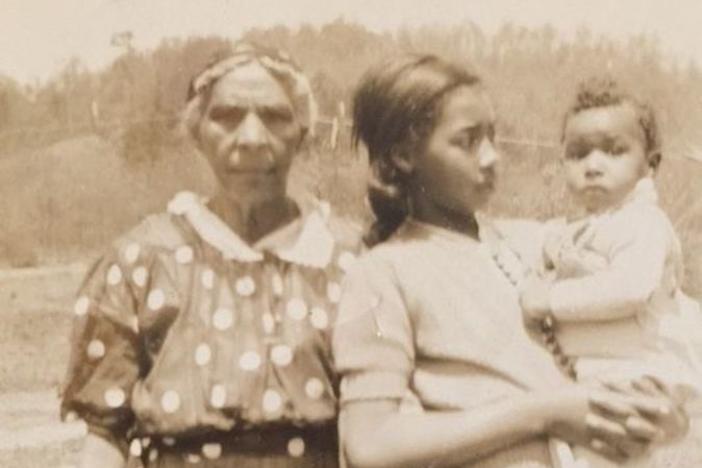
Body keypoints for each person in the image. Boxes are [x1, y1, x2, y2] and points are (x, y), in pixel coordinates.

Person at [332, 54, 688, 468]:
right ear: (404, 155)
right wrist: (543, 414)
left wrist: (656, 411)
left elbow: (645, 340)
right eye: (467, 141)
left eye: (493, 138)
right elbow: (371, 445)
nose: (490, 157)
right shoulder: (376, 276)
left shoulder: (537, 242)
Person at [61, 42, 361, 468]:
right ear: (196, 132)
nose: (253, 138)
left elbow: (383, 426)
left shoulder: (350, 259)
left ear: (304, 133)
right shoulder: (143, 261)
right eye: (227, 116)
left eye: (275, 117)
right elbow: (103, 438)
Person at [518, 77, 702, 467]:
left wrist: (549, 299)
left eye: (614, 152)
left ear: (649, 164)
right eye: (578, 154)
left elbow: (630, 287)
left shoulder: (644, 224)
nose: (594, 166)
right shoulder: (575, 229)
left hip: (637, 372)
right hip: (594, 373)